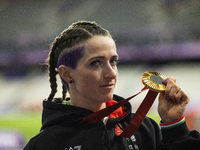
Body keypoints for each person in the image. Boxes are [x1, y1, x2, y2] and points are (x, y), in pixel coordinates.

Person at [23, 21, 200, 150]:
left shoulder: (145, 129)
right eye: (95, 63)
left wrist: (174, 125)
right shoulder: (45, 144)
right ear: (67, 73)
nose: (111, 73)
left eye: (113, 61)